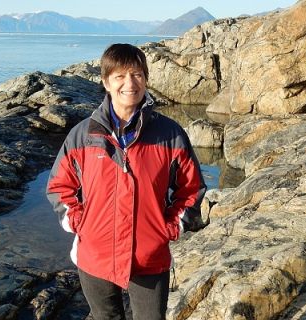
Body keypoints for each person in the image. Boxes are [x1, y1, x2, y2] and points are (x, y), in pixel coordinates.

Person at [46, 43, 206, 320]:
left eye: (137, 75)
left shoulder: (170, 134)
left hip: (149, 256)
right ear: (106, 82)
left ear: (145, 79)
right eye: (120, 76)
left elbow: (191, 188)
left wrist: (171, 226)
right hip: (95, 254)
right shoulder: (83, 135)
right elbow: (60, 187)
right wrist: (79, 222)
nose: (129, 83)